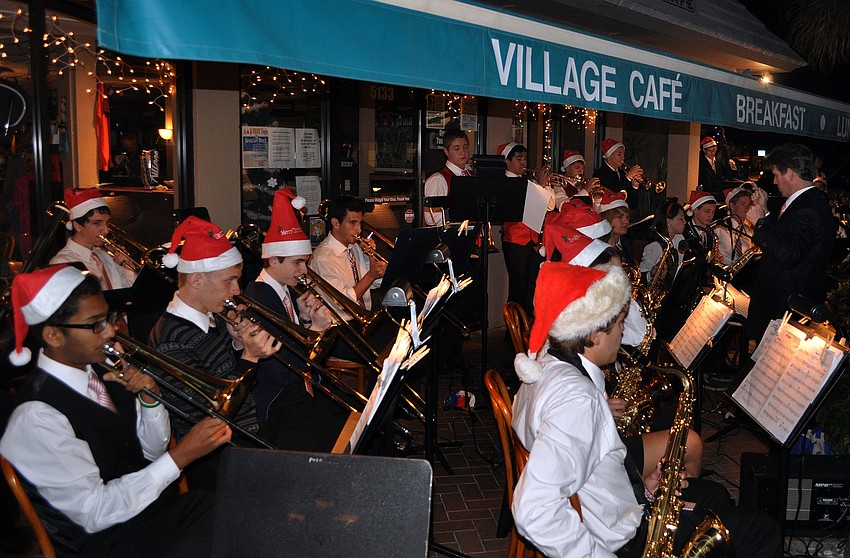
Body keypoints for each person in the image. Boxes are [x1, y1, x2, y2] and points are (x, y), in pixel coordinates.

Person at [510, 262, 781, 558]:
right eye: (620, 323)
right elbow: (533, 508)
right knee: (763, 529)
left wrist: (642, 487)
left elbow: (590, 470)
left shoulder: (546, 366)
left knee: (714, 495)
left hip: (609, 507)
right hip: (621, 540)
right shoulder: (577, 399)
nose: (624, 331)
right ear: (594, 334)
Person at [1, 265, 231, 557]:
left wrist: (151, 399)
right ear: (54, 335)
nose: (111, 331)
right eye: (95, 324)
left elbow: (151, 452)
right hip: (106, 542)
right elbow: (94, 511)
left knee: (236, 513)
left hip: (149, 512)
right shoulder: (36, 416)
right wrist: (181, 456)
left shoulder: (101, 371)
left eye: (108, 318)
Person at [148, 215, 279, 490]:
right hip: (219, 458)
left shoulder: (214, 316)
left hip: (248, 434)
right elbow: (206, 413)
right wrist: (250, 358)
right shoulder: (171, 340)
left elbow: (221, 372)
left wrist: (238, 344)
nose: (237, 291)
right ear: (196, 280)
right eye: (229, 281)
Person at [243, 188, 348, 451]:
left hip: (301, 386)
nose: (304, 271)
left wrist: (302, 320)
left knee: (358, 411)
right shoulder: (258, 298)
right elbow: (281, 371)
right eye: (298, 263)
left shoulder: (285, 287)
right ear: (273, 260)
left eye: (305, 262)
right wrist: (313, 331)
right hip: (279, 401)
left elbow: (290, 343)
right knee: (339, 427)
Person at [746, 143, 837, 343]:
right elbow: (785, 238)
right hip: (780, 307)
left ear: (790, 173)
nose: (775, 182)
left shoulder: (808, 208)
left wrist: (760, 224)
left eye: (777, 175)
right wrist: (766, 212)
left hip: (785, 310)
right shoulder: (805, 202)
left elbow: (789, 255)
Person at [499, 142, 554, 318]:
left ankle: (527, 326)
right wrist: (540, 185)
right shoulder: (504, 183)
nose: (523, 163)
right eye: (518, 159)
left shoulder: (528, 181)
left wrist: (544, 186)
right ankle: (513, 329)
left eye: (524, 158)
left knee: (532, 285)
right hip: (515, 241)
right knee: (517, 286)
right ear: (507, 162)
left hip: (532, 241)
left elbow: (549, 207)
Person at [309, 194, 386, 313]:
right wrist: (371, 275)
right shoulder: (323, 258)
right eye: (352, 223)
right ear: (335, 223)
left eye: (360, 223)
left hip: (365, 316)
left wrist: (371, 255)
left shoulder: (353, 247)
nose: (359, 229)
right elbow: (342, 302)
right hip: (341, 324)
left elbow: (375, 283)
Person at [50, 188, 136, 291]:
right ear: (77, 225)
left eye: (107, 223)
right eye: (97, 223)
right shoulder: (63, 262)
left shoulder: (106, 256)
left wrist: (127, 267)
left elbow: (130, 293)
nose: (106, 230)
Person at [423, 128, 472, 226]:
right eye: (456, 148)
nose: (462, 152)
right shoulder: (438, 179)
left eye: (465, 147)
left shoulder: (471, 175)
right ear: (446, 151)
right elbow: (430, 218)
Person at [593, 138, 643, 207]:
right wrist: (627, 177)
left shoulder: (622, 173)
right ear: (609, 155)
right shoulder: (600, 173)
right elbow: (612, 194)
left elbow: (632, 204)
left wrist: (635, 186)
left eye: (623, 155)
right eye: (619, 155)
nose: (623, 158)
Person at [714, 185, 755, 267]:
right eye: (743, 204)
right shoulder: (718, 229)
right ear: (732, 206)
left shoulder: (749, 231)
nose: (747, 208)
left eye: (749, 205)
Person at [596, 188, 637, 267]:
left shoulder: (625, 243)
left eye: (627, 217)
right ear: (606, 218)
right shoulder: (599, 247)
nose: (626, 222)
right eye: (620, 217)